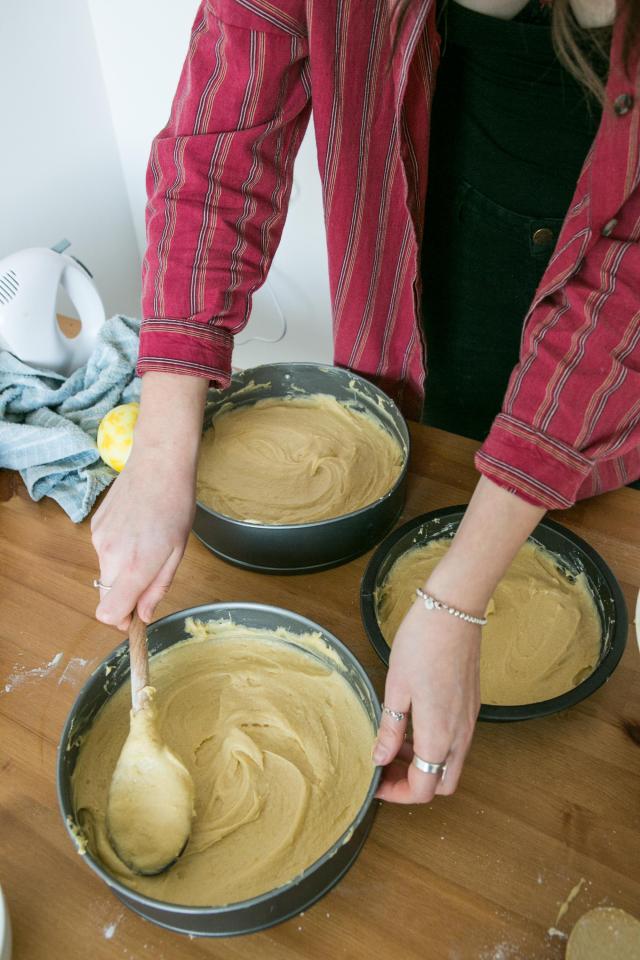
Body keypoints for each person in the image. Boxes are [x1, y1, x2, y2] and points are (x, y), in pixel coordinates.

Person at [91, 0, 639, 805]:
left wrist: (459, 596)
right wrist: (162, 453)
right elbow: (221, 151)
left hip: (604, 397)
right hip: (410, 357)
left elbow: (624, 295)